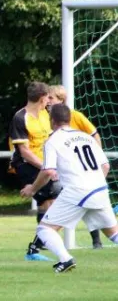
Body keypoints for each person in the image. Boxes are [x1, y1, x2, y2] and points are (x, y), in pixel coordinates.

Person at [20, 104, 118, 273]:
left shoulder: (53, 140)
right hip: (99, 190)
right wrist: (93, 182)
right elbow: (106, 166)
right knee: (113, 233)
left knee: (45, 229)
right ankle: (65, 260)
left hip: (77, 191)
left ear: (53, 120)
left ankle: (66, 260)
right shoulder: (86, 137)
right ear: (69, 119)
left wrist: (32, 188)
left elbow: (48, 171)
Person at [9, 82, 60, 261]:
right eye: (47, 97)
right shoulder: (20, 118)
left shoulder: (46, 114)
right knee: (54, 202)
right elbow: (25, 152)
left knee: (48, 204)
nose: (49, 100)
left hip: (45, 165)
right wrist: (47, 168)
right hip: (26, 165)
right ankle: (36, 247)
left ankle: (38, 247)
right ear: (41, 98)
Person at [48, 84, 104, 248]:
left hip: (78, 170)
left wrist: (97, 160)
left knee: (80, 203)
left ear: (61, 99)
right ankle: (45, 241)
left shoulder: (76, 116)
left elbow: (94, 135)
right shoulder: (47, 118)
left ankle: (96, 241)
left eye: (51, 97)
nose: (48, 101)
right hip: (61, 169)